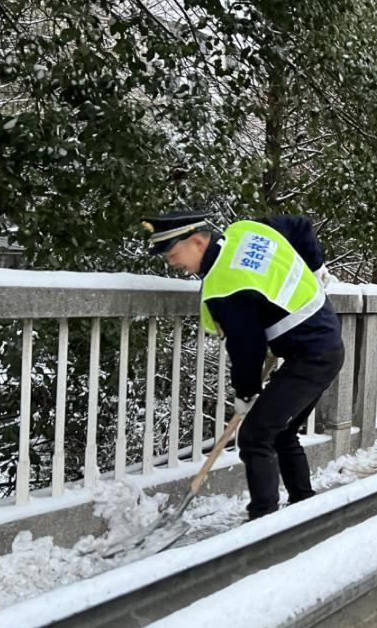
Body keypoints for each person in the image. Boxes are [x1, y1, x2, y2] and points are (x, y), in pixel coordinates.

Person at [141, 209, 345, 521]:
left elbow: (247, 346)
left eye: (173, 253)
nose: (172, 262)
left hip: (312, 355)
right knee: (281, 431)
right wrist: (315, 266)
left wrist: (246, 391)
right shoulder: (246, 232)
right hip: (323, 340)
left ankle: (262, 523)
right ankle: (305, 508)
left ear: (197, 241)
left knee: (254, 436)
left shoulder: (225, 287)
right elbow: (300, 225)